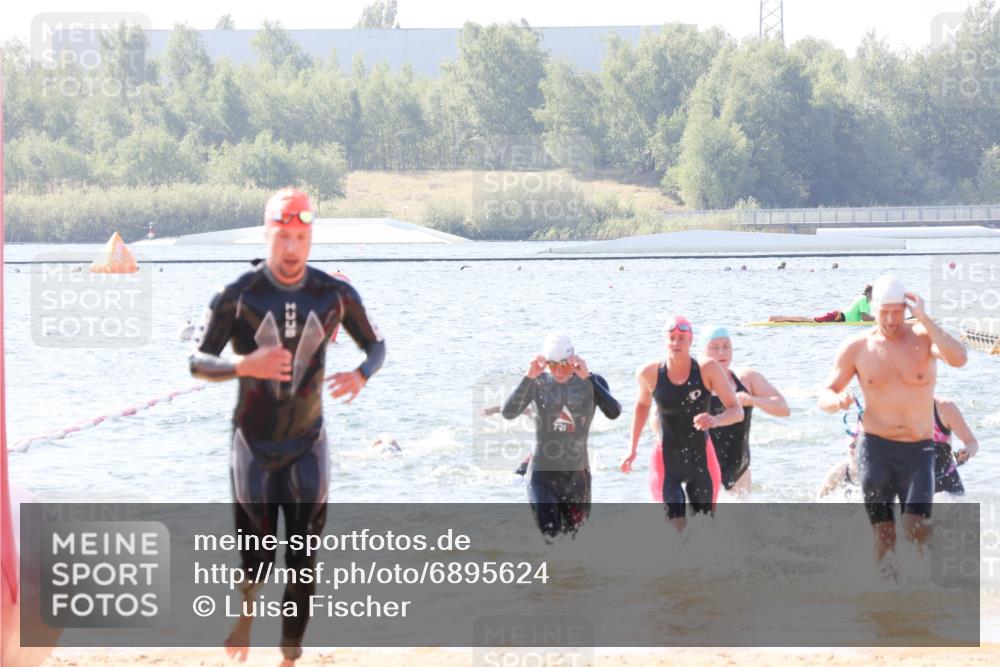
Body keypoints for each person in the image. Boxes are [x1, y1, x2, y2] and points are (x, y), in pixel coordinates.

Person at [189, 187, 386, 666]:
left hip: (308, 443)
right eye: (283, 235)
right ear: (267, 233)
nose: (292, 247)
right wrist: (243, 366)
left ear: (311, 237)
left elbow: (376, 345)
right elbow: (197, 361)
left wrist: (361, 375)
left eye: (301, 236)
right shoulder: (236, 295)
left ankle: (289, 657)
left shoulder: (335, 294)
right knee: (256, 558)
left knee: (302, 562)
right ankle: (247, 612)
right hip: (253, 446)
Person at [818, 275, 966, 574]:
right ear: (873, 309)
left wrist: (924, 317)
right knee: (884, 537)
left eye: (896, 312)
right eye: (883, 312)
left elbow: (959, 358)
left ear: (906, 307)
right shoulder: (857, 347)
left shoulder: (924, 338)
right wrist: (837, 401)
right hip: (875, 450)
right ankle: (888, 602)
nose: (890, 319)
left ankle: (935, 579)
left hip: (918, 451)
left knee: (915, 528)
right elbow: (825, 393)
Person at [619, 317, 743, 532]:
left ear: (691, 340)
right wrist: (632, 448)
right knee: (674, 528)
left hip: (701, 461)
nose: (676, 343)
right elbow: (641, 407)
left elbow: (736, 410)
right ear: (665, 340)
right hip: (666, 462)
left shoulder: (707, 368)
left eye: (682, 339)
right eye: (672, 338)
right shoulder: (649, 373)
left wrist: (715, 420)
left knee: (704, 528)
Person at [501, 333, 621, 539]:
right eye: (552, 364)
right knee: (552, 539)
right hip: (542, 476)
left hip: (577, 479)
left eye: (563, 363)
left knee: (576, 542)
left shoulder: (593, 381)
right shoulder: (537, 383)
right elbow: (508, 413)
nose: (558, 370)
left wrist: (588, 378)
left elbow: (614, 412)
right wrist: (528, 376)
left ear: (573, 359)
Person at [699, 326, 790, 496]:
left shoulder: (747, 379)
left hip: (739, 469)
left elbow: (783, 408)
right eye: (715, 347)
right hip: (703, 468)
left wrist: (752, 400)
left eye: (726, 346)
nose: (721, 352)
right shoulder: (695, 383)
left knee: (742, 520)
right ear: (702, 352)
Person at [932, 398, 979, 495]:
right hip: (913, 487)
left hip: (948, 488)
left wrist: (964, 454)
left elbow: (972, 443)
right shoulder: (896, 411)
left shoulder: (945, 408)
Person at [769, 284, 874, 323]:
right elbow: (865, 318)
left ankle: (779, 318)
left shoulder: (865, 300)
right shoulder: (863, 299)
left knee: (808, 320)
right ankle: (777, 318)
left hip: (840, 317)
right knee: (808, 320)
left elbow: (865, 317)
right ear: (869, 293)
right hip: (837, 317)